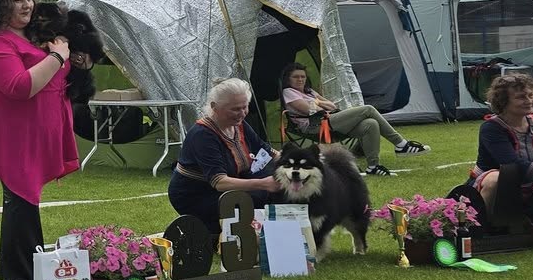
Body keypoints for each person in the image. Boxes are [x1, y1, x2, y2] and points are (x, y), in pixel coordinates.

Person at [0, 0, 81, 280]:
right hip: (11, 133)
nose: (26, 5)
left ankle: (17, 273)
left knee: (22, 202)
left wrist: (72, 57)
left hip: (35, 130)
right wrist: (57, 56)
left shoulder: (31, 37)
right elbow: (20, 87)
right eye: (17, 0)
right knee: (22, 200)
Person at [467, 70, 533, 240]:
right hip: (489, 191)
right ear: (503, 101)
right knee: (496, 178)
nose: (529, 100)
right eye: (521, 97)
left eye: (531, 95)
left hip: (526, 191)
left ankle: (518, 226)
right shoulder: (491, 128)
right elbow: (515, 166)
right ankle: (480, 230)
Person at [168, 78, 280, 227]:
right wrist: (264, 184)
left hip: (226, 187)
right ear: (214, 107)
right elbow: (219, 182)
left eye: (245, 107)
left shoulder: (239, 125)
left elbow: (266, 151)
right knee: (257, 194)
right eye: (235, 109)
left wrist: (294, 163)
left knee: (276, 178)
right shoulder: (202, 135)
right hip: (197, 194)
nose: (242, 113)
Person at [280, 62, 424, 174]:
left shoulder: (310, 92)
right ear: (288, 79)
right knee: (368, 109)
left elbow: (332, 105)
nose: (300, 79)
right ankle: (401, 144)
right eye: (296, 77)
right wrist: (318, 104)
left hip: (330, 121)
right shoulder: (288, 92)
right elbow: (308, 110)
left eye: (303, 76)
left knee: (370, 123)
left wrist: (317, 103)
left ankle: (373, 166)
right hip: (316, 126)